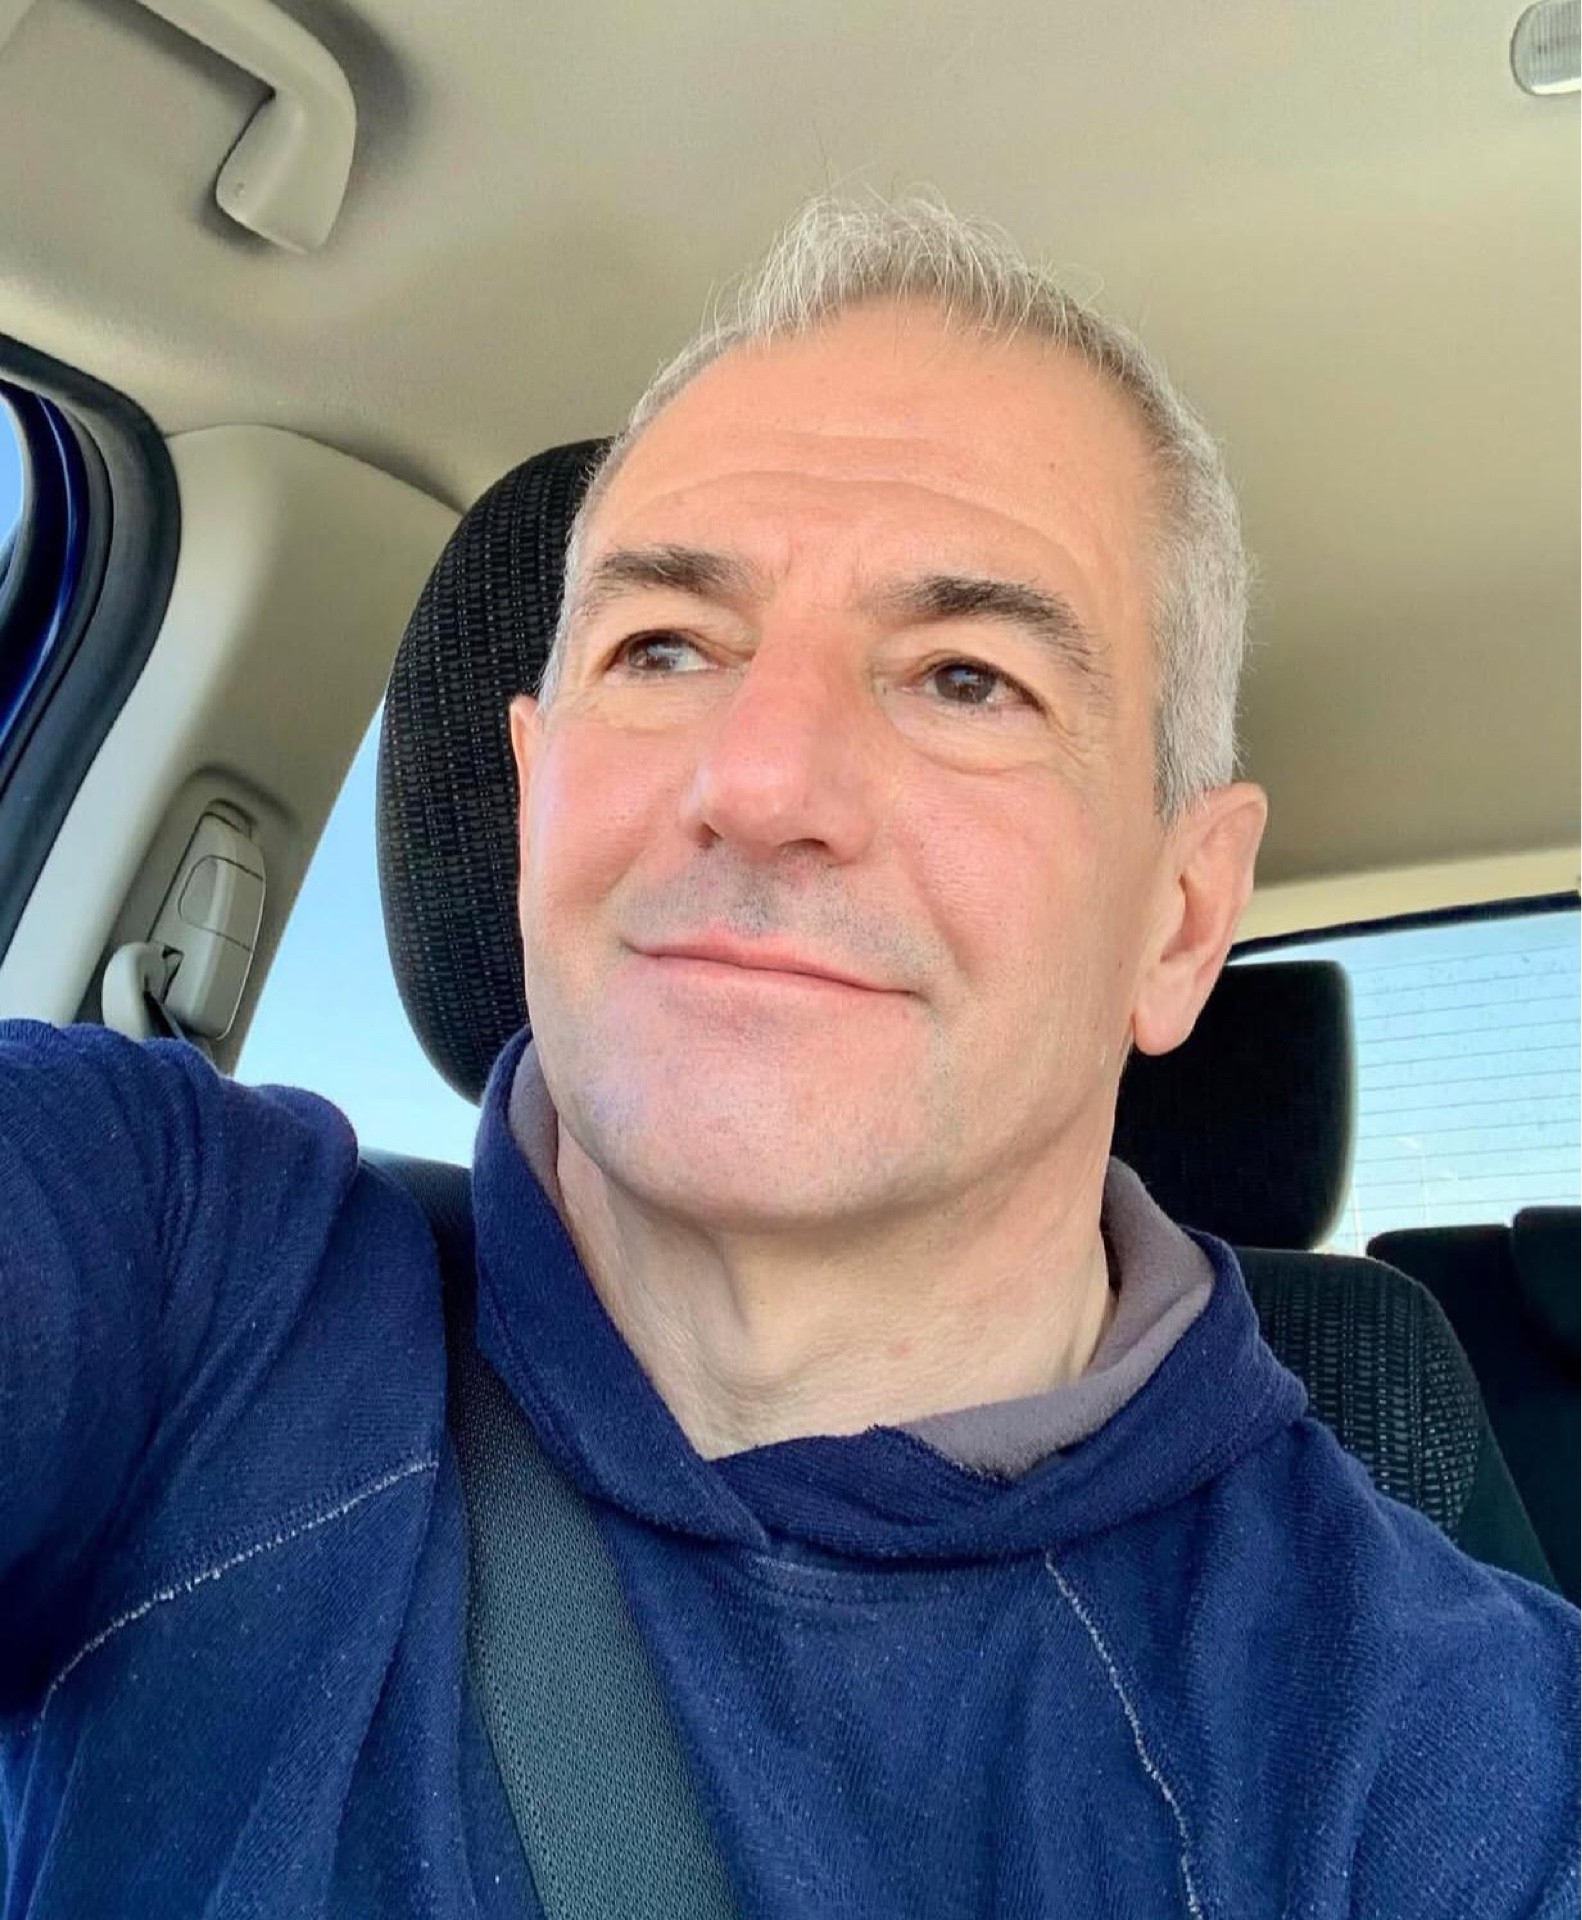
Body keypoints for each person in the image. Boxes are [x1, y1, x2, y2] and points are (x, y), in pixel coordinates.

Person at [1, 196, 1576, 1920]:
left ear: (1180, 918)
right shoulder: (178, 1261)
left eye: (964, 678)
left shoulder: (1447, 1754)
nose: (757, 783)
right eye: (663, 648)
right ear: (531, 807)